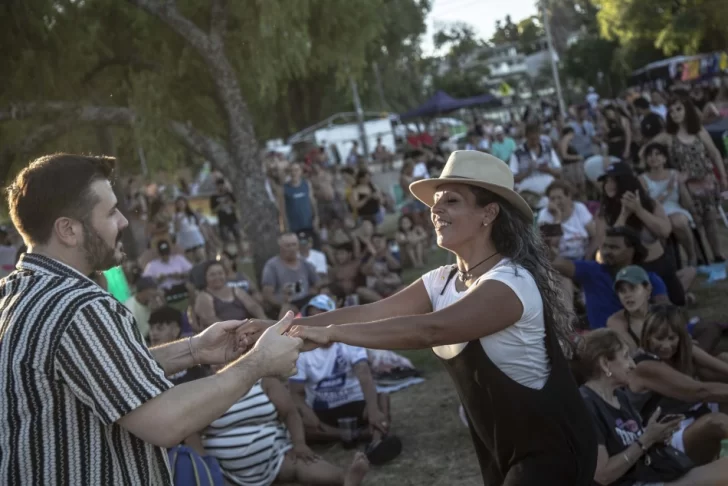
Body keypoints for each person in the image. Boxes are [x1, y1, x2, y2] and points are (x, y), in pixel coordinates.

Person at [257, 151, 598, 484]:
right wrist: (274, 329)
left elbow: (431, 330)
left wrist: (332, 334)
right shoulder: (443, 279)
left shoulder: (511, 282)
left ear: (489, 212)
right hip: (499, 449)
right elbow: (370, 312)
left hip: (551, 449)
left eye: (451, 200)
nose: (435, 209)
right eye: (436, 201)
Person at [0, 154, 304, 485]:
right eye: (111, 212)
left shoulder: (17, 290)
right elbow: (165, 422)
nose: (124, 221)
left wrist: (196, 350)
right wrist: (258, 363)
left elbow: (104, 370)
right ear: (68, 229)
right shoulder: (79, 307)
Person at [578, 329, 728, 485]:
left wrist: (658, 435)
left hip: (652, 474)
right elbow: (602, 475)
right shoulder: (587, 405)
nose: (632, 364)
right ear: (604, 363)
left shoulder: (619, 396)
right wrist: (646, 440)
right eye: (625, 356)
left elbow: (637, 444)